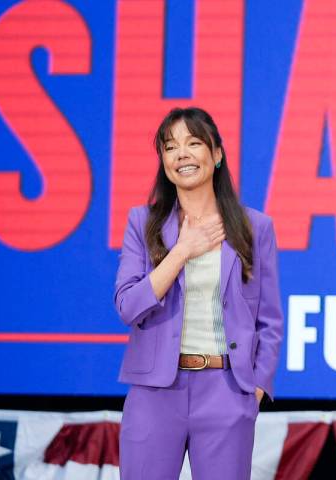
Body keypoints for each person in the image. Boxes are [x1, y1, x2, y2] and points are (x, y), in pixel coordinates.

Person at [114, 107, 283, 479]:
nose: (182, 154)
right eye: (171, 147)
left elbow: (269, 321)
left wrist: (255, 389)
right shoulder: (142, 223)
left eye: (194, 143)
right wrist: (181, 252)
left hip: (226, 389)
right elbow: (128, 306)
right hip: (155, 390)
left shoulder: (255, 227)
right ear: (163, 160)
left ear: (217, 154)